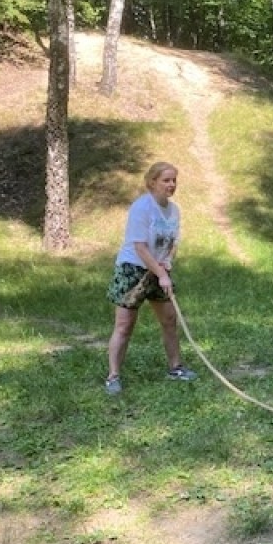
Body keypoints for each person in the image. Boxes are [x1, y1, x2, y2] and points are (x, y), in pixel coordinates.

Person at [105, 162, 198, 395]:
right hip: (133, 270)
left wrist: (167, 261)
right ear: (152, 182)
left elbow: (173, 242)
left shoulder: (174, 210)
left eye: (174, 180)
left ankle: (175, 368)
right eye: (166, 180)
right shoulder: (142, 207)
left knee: (169, 320)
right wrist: (161, 274)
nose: (171, 184)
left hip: (158, 270)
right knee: (125, 325)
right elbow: (140, 247)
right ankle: (113, 376)